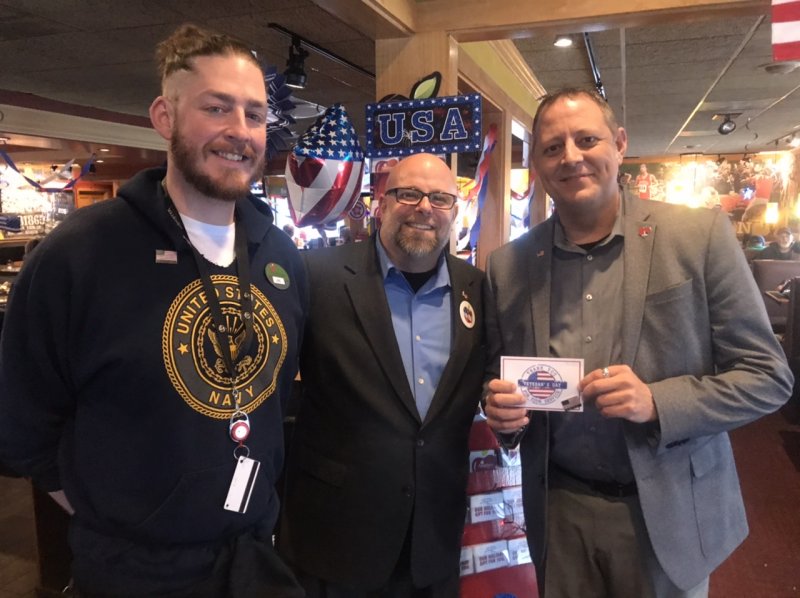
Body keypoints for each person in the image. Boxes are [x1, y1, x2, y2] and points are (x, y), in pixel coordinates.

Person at [0, 24, 306, 597]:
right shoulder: (80, 253)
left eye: (255, 115)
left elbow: (276, 394)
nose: (240, 132)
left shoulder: (279, 255)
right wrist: (119, 517)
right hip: (132, 572)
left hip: (254, 560)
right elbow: (22, 423)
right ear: (164, 117)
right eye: (217, 108)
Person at [482, 88, 793, 598]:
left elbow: (768, 377)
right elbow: (500, 384)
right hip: (559, 514)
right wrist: (503, 414)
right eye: (552, 147)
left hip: (669, 512)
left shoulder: (699, 236)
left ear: (620, 144)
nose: (571, 157)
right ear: (536, 162)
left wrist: (656, 402)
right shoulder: (508, 266)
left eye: (586, 139)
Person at [279, 152, 486, 596]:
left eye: (440, 198)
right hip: (336, 539)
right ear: (380, 201)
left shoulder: (476, 288)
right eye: (408, 193)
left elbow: (486, 388)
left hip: (434, 542)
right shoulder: (318, 276)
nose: (424, 208)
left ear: (455, 209)